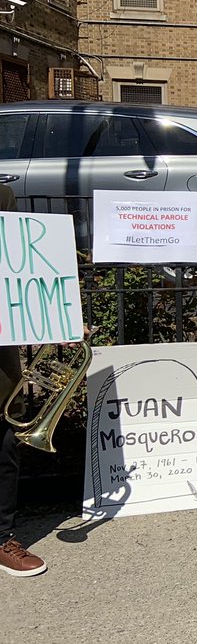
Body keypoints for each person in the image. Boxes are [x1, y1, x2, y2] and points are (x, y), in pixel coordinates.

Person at [0, 184, 45, 576]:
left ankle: (2, 537)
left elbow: (24, 265)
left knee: (4, 445)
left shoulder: (2, 197)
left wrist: (51, 314)